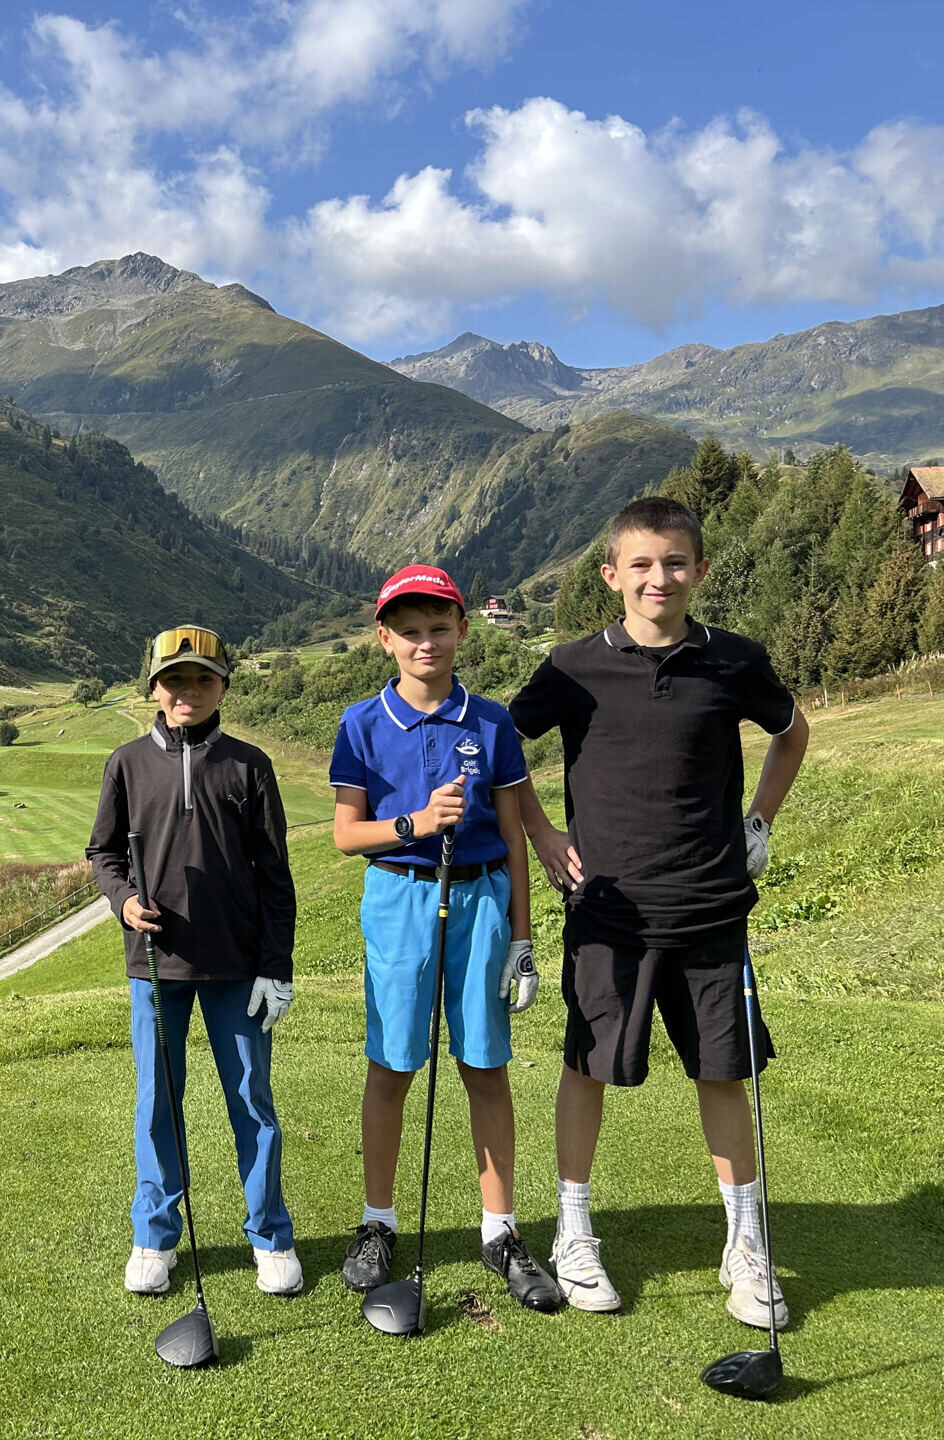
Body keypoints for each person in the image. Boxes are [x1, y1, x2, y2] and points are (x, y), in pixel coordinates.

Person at [511, 496, 809, 1328]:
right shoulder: (573, 667)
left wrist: (759, 823)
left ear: (700, 570)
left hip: (712, 906)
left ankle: (745, 1248)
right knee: (587, 1066)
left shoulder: (736, 660)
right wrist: (541, 832)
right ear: (612, 575)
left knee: (724, 1072)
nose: (659, 578)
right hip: (608, 911)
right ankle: (575, 1235)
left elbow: (792, 732)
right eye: (641, 564)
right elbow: (503, 748)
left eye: (675, 562)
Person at [328, 566, 564, 1312]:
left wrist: (523, 936)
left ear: (462, 630)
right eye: (409, 631)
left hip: (482, 898)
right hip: (399, 895)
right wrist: (416, 824)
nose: (424, 642)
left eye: (438, 628)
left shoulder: (491, 722)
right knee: (392, 1064)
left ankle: (500, 1231)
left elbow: (516, 835)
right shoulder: (361, 724)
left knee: (485, 1064)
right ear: (385, 639)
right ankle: (378, 1222)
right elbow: (346, 834)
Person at [86, 624, 302, 1297]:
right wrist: (124, 901)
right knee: (158, 1101)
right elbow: (103, 854)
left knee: (252, 1101)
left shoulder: (250, 765)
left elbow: (275, 876)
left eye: (203, 678)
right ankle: (154, 1236)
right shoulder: (126, 763)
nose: (189, 690)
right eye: (174, 678)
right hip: (154, 962)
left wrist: (277, 967)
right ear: (154, 687)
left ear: (223, 687)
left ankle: (270, 1235)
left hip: (238, 965)